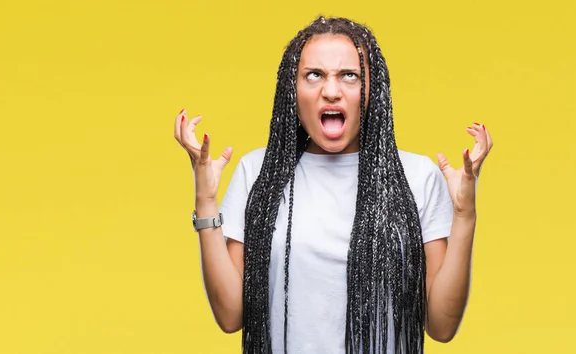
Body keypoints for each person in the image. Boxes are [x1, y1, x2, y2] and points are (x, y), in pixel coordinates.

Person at [173, 16, 493, 354]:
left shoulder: (417, 176)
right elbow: (230, 316)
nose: (331, 91)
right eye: (314, 75)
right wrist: (206, 201)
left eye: (349, 76)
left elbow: (442, 327)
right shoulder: (258, 172)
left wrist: (464, 214)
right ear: (292, 90)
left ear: (372, 90)